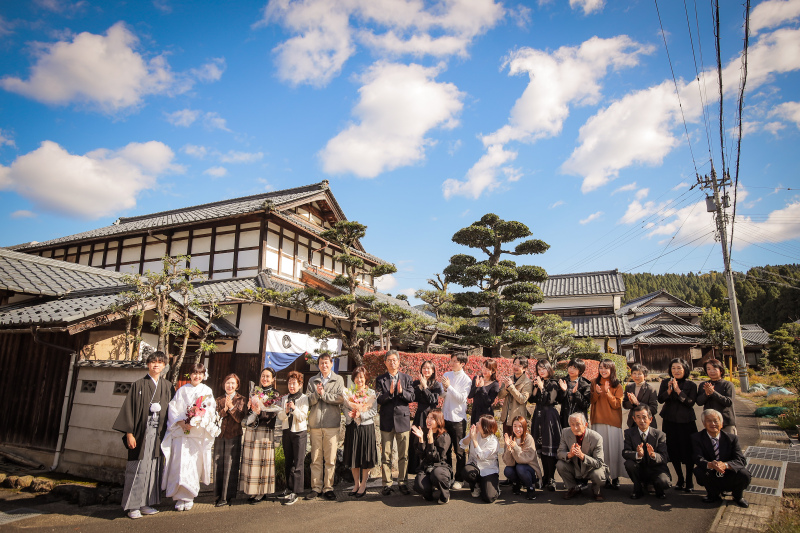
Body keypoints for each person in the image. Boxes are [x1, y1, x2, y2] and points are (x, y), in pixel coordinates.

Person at [113, 351, 175, 520]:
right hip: (141, 433)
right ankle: (133, 506)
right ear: (148, 364)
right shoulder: (138, 385)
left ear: (164, 366)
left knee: (153, 468)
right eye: (153, 362)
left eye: (160, 362)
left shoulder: (168, 386)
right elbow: (129, 410)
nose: (156, 365)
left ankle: (145, 503)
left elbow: (174, 411)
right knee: (137, 468)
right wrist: (129, 434)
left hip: (158, 434)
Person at [161, 363, 219, 511]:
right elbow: (173, 409)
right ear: (190, 375)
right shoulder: (182, 390)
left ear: (203, 375)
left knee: (194, 465)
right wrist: (181, 422)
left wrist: (197, 420)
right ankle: (179, 497)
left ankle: (190, 496)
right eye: (194, 373)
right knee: (179, 464)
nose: (197, 376)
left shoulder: (207, 390)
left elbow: (210, 411)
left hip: (197, 433)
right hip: (182, 433)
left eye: (200, 373)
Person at [692, 409, 751, 508]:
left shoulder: (732, 438)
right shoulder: (696, 438)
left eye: (716, 420)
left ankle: (737, 496)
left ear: (721, 423)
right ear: (703, 423)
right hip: (711, 472)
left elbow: (740, 460)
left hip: (728, 472)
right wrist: (710, 464)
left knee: (744, 473)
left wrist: (725, 465)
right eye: (709, 421)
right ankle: (713, 495)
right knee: (699, 471)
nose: (713, 424)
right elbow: (697, 457)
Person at [376, 350, 415, 495]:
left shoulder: (406, 378)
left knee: (403, 455)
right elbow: (379, 399)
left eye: (395, 360)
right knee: (386, 455)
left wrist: (401, 391)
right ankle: (387, 483)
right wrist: (390, 393)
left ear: (399, 362)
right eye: (389, 360)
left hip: (403, 420)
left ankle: (403, 482)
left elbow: (411, 397)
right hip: (386, 421)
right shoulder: (380, 379)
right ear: (385, 362)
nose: (392, 363)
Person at [306, 353, 345, 501]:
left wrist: (324, 394)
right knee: (315, 458)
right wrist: (317, 394)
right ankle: (316, 488)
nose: (324, 365)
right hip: (315, 424)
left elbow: (340, 398)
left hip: (331, 425)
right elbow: (308, 400)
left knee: (330, 459)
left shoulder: (338, 379)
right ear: (318, 365)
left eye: (327, 363)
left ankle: (328, 487)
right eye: (321, 363)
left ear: (331, 363)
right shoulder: (312, 380)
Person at [658, 357, 698, 492]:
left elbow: (690, 403)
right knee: (673, 450)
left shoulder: (691, 385)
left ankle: (689, 480)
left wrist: (678, 390)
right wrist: (669, 390)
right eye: (673, 368)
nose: (676, 370)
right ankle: (680, 479)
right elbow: (660, 399)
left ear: (685, 369)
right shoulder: (665, 382)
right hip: (670, 421)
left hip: (686, 422)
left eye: (679, 368)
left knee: (688, 451)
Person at [240, 367, 280, 504]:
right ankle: (251, 490)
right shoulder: (255, 391)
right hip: (252, 429)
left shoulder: (275, 394)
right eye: (263, 376)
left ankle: (261, 492)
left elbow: (273, 413)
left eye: (268, 376)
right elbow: (249, 410)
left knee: (262, 462)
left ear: (273, 379)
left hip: (265, 430)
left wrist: (260, 412)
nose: (265, 379)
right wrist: (250, 407)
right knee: (252, 461)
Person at [343, 366, 378, 498]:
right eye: (357, 377)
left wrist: (361, 415)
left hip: (366, 427)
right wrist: (351, 414)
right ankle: (356, 484)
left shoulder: (371, 393)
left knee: (365, 457)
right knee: (354, 457)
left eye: (362, 377)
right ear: (354, 379)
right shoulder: (350, 393)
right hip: (353, 427)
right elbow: (345, 407)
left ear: (366, 378)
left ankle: (363, 484)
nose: (359, 380)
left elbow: (373, 411)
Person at [622, 404, 670, 500]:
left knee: (664, 482)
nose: (642, 421)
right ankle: (638, 488)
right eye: (638, 417)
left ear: (650, 419)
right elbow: (625, 452)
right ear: (634, 419)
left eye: (644, 417)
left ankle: (657, 487)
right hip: (640, 468)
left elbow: (665, 457)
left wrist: (653, 455)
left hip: (656, 469)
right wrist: (637, 455)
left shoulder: (660, 435)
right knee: (629, 463)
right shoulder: (629, 433)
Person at [590, 358, 625, 490]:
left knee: (614, 449)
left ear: (612, 369)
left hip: (613, 422)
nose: (603, 370)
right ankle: (603, 476)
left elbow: (616, 404)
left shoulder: (617, 385)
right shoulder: (594, 382)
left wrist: (608, 392)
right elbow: (592, 401)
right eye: (601, 367)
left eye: (606, 368)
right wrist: (597, 393)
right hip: (597, 420)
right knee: (601, 450)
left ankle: (615, 477)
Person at [528, 359, 561, 491]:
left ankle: (551, 477)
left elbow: (550, 400)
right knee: (541, 447)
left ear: (549, 369)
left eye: (543, 368)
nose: (541, 371)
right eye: (539, 369)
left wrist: (542, 387)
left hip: (550, 417)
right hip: (539, 416)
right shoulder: (537, 382)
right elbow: (532, 399)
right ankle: (545, 477)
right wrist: (536, 387)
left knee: (550, 448)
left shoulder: (553, 383)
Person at [556, 412, 606, 501]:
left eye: (578, 424)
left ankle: (596, 490)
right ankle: (572, 488)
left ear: (585, 425)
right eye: (572, 424)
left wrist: (582, 456)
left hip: (591, 468)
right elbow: (560, 453)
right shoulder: (565, 432)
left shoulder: (596, 438)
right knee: (560, 464)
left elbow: (599, 462)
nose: (575, 428)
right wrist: (569, 454)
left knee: (598, 474)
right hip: (575, 467)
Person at [276, 370, 309, 506]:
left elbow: (302, 416)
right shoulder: (285, 398)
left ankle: (296, 491)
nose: (291, 386)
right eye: (290, 383)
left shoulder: (304, 398)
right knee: (288, 461)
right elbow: (280, 416)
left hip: (299, 433)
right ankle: (288, 488)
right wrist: (286, 411)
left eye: (294, 383)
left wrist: (294, 409)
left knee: (298, 463)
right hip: (287, 432)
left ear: (300, 384)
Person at [213, 373, 246, 507]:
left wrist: (231, 407)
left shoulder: (241, 399)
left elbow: (239, 418)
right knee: (218, 463)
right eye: (227, 383)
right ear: (224, 385)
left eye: (233, 383)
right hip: (220, 435)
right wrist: (224, 409)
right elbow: (214, 417)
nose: (230, 385)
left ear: (237, 385)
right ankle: (217, 494)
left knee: (230, 465)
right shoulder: (218, 399)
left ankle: (227, 496)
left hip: (234, 435)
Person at [442, 352, 473, 489]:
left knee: (459, 450)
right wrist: (444, 389)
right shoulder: (447, 375)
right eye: (452, 360)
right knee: (445, 449)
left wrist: (449, 387)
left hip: (458, 419)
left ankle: (459, 479)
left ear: (462, 364)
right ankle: (448, 476)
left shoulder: (467, 380)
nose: (452, 363)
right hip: (445, 417)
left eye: (455, 361)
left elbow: (461, 398)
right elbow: (442, 395)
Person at [411, 408, 452, 504]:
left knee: (437, 475)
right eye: (428, 418)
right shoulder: (423, 432)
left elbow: (437, 458)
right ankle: (431, 492)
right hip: (426, 467)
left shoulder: (444, 436)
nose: (428, 421)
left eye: (432, 418)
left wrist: (430, 442)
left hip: (440, 466)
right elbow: (420, 456)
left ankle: (445, 495)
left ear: (438, 421)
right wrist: (421, 439)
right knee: (419, 486)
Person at [409, 361, 442, 474]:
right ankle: (415, 468)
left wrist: (425, 387)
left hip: (431, 416)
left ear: (433, 371)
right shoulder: (416, 383)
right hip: (419, 414)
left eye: (429, 368)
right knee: (415, 440)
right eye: (424, 368)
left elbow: (433, 400)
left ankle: (428, 466)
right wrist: (420, 387)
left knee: (429, 439)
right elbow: (413, 398)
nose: (426, 370)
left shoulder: (436, 384)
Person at [459, 414, 500, 503]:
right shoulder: (475, 433)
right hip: (475, 466)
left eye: (479, 422)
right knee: (466, 471)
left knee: (489, 497)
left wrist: (474, 440)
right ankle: (476, 485)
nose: (476, 423)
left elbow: (481, 456)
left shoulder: (493, 441)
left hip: (488, 469)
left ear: (485, 427)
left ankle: (491, 486)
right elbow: (462, 444)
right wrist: (470, 436)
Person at [502, 416, 542, 500]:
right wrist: (509, 449)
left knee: (520, 467)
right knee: (507, 470)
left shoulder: (528, 438)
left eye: (520, 426)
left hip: (529, 470)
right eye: (515, 426)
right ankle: (517, 484)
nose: (517, 429)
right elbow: (508, 463)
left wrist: (515, 447)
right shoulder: (510, 439)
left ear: (524, 427)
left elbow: (525, 459)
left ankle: (530, 487)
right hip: (517, 468)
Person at [696, 359, 737, 435]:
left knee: (729, 445)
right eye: (708, 369)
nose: (711, 371)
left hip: (726, 422)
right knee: (712, 445)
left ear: (721, 370)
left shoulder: (728, 384)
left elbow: (729, 402)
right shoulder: (703, 385)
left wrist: (713, 393)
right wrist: (706, 394)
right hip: (710, 423)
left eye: (714, 369)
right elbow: (699, 402)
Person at [499, 355, 533, 437]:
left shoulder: (527, 382)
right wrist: (506, 388)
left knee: (518, 444)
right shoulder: (509, 379)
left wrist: (511, 387)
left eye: (519, 365)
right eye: (515, 364)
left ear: (525, 368)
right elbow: (500, 396)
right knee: (507, 444)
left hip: (518, 418)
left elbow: (522, 399)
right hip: (506, 417)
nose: (516, 367)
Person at [558, 358, 592, 430]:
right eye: (570, 367)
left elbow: (585, 405)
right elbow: (558, 400)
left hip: (579, 419)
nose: (571, 370)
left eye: (575, 368)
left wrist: (576, 393)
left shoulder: (585, 384)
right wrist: (564, 391)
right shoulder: (563, 381)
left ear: (580, 371)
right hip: (565, 418)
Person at [622, 364, 658, 429]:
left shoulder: (650, 389)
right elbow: (624, 405)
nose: (636, 376)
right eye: (634, 373)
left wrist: (638, 403)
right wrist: (631, 403)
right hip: (632, 422)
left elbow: (654, 409)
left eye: (639, 374)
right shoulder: (629, 387)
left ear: (645, 376)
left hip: (647, 423)